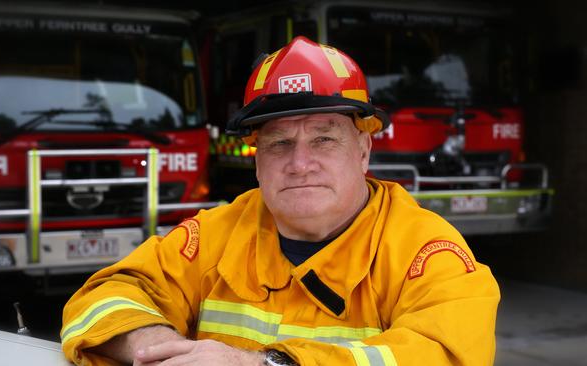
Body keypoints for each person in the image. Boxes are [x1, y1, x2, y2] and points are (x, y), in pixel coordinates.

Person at [61, 36, 500, 366]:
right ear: (257, 161)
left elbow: (448, 353)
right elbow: (103, 297)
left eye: (324, 138)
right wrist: (157, 348)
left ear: (364, 151)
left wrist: (266, 364)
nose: (300, 163)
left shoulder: (425, 250)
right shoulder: (215, 233)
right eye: (278, 143)